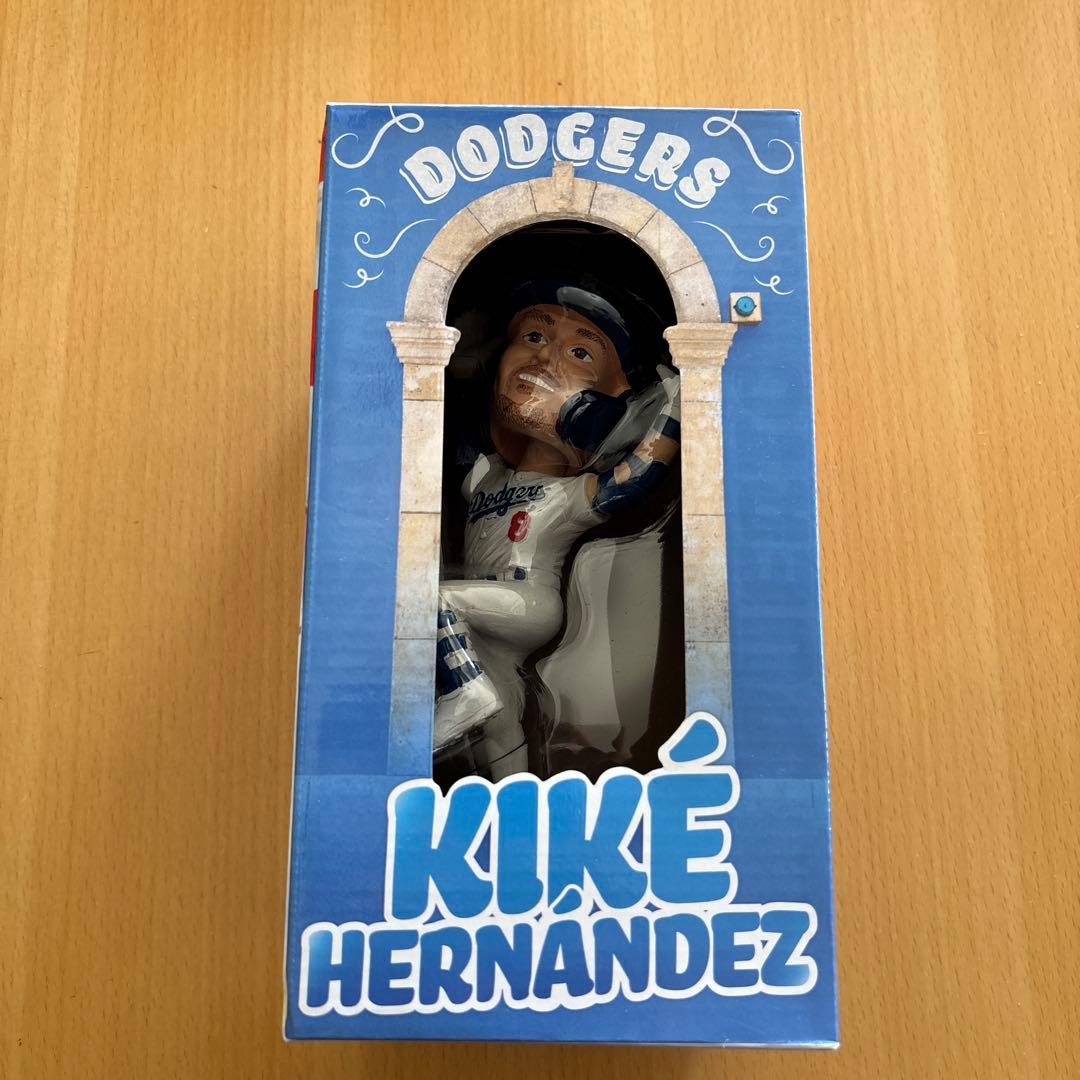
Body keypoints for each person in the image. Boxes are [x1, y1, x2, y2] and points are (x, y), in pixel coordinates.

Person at [434, 280, 680, 777]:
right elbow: (444, 429)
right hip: (484, 622)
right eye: (533, 337)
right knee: (499, 733)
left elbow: (638, 474)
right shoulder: (484, 477)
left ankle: (466, 691)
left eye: (579, 352)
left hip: (526, 602)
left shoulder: (569, 494)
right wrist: (456, 361)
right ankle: (518, 807)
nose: (545, 358)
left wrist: (674, 403)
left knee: (427, 599)